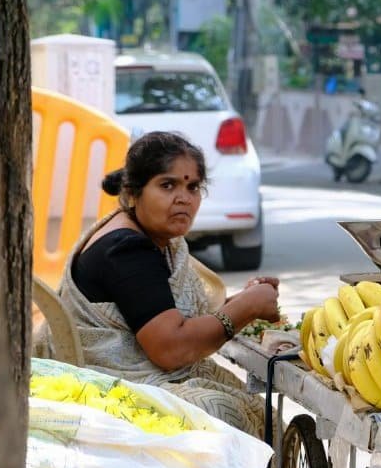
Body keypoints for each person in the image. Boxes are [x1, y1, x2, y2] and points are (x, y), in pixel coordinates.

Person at [51, 131, 281, 438]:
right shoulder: (126, 249)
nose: (184, 198)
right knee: (222, 414)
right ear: (134, 193)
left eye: (193, 186)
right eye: (167, 185)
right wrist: (247, 306)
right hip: (111, 385)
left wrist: (245, 301)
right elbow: (171, 349)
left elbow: (164, 313)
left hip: (138, 377)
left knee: (249, 407)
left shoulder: (149, 238)